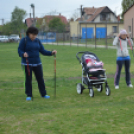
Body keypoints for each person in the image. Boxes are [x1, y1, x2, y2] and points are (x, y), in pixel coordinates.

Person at [18, 27, 57, 101]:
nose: (34, 36)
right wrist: (23, 54)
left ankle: (43, 94)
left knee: (40, 79)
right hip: (27, 63)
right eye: (33, 35)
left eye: (36, 35)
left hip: (37, 63)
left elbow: (42, 51)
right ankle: (29, 95)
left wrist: (51, 53)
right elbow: (19, 50)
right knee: (28, 79)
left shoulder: (37, 41)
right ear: (29, 33)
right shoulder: (24, 40)